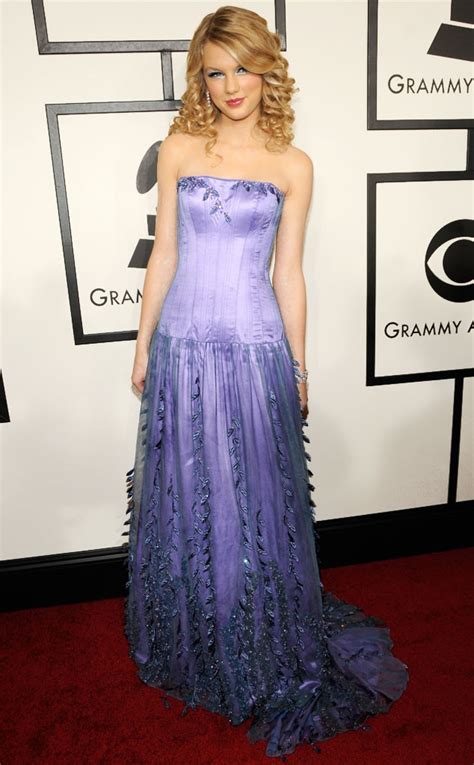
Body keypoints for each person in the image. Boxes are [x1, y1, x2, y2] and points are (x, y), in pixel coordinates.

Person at [123, 5, 409, 758]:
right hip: (184, 346)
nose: (230, 85)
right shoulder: (180, 147)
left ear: (266, 69)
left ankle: (259, 637)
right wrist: (144, 343)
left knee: (254, 498)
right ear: (201, 79)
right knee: (190, 491)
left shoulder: (293, 164)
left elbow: (288, 271)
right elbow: (163, 256)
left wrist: (299, 363)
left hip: (254, 349)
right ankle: (201, 635)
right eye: (215, 72)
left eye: (242, 67)